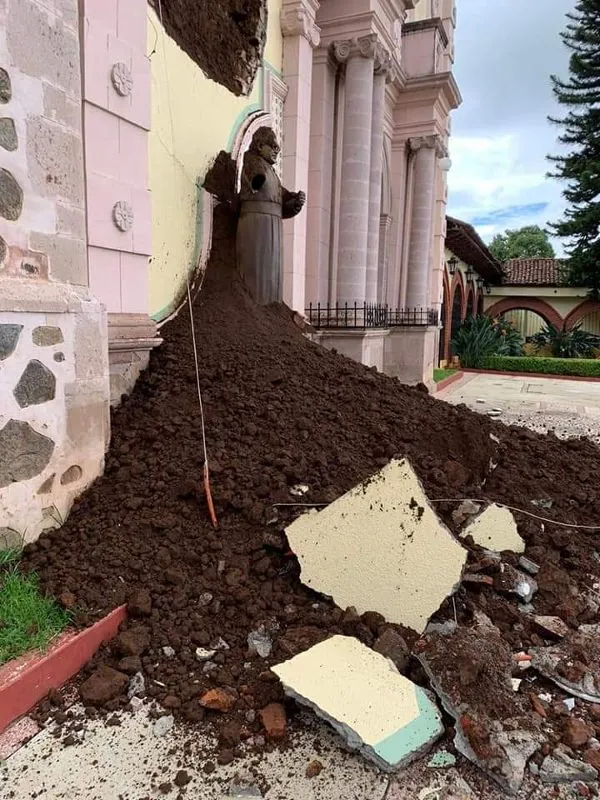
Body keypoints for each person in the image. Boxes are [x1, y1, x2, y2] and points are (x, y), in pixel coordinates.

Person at [236, 127, 305, 304]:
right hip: (256, 225)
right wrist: (257, 182)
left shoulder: (270, 170)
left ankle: (269, 309)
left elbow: (279, 199)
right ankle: (254, 307)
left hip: (271, 227)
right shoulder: (253, 161)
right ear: (259, 145)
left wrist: (294, 201)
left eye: (278, 149)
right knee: (257, 274)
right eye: (273, 146)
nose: (277, 151)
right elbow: (256, 182)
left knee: (271, 273)